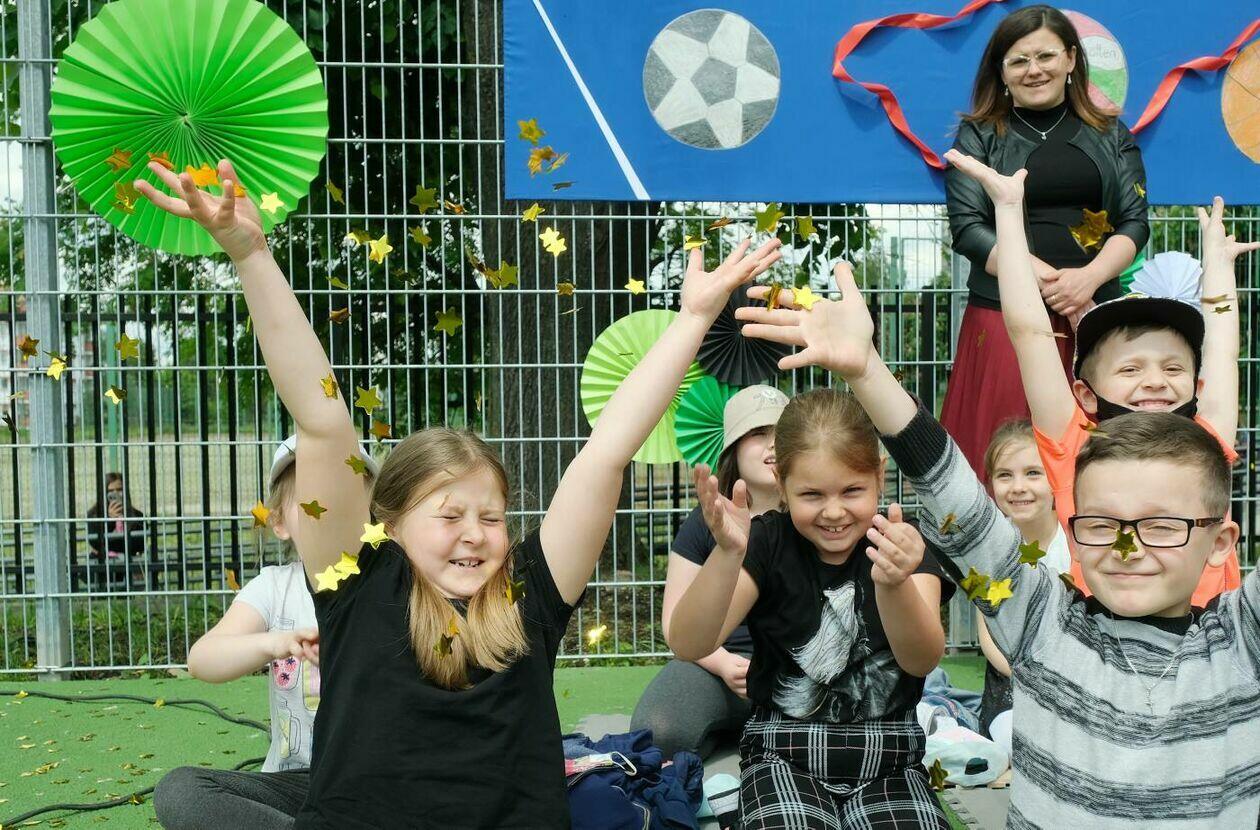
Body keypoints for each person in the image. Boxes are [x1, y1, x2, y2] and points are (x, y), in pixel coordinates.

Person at [137, 157, 783, 828]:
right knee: (187, 791)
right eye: (449, 516)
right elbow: (323, 420)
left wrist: (693, 318)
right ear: (389, 524)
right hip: (356, 804)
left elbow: (607, 451)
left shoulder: (529, 594)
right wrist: (251, 255)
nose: (475, 533)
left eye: (492, 517)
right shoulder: (356, 581)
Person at [736, 262, 1260, 828]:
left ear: (1220, 542)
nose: (1126, 549)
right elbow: (952, 491)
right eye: (1101, 525)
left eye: (1161, 525)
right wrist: (867, 371)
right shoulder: (1040, 621)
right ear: (1072, 530)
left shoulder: (1242, 641)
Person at [946, 149, 1256, 606]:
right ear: (1085, 395)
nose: (1155, 380)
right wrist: (1008, 214)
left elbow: (1223, 351)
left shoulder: (1208, 442)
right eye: (1130, 368)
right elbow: (1029, 332)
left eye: (1173, 368)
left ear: (1198, 387)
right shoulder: (1075, 448)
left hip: (1208, 642)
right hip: (1102, 642)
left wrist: (1219, 268)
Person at [668, 386, 955, 829]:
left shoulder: (902, 543)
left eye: (852, 490)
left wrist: (894, 583)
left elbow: (921, 660)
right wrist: (727, 555)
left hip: (891, 763)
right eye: (812, 495)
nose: (834, 512)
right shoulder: (766, 542)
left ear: (880, 475)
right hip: (782, 757)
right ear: (782, 482)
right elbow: (689, 643)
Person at [940, 4, 1149, 478]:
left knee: (1097, 459)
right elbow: (968, 229)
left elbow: (1135, 223)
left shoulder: (1112, 133)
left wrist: (1087, 281)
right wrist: (1050, 283)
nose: (1033, 69)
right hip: (1002, 316)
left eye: (1045, 56)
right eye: (1018, 60)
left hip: (1092, 314)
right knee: (1002, 456)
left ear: (1071, 59)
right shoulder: (979, 135)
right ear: (1001, 72)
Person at [153, 437, 378, 829]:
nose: (328, 507)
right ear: (279, 522)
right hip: (297, 782)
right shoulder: (275, 588)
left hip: (376, 783)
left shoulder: (390, 584)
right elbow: (203, 659)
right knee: (180, 789)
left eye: (344, 495)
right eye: (310, 499)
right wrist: (275, 643)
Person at [631, 384, 788, 760]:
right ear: (733, 447)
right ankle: (727, 724)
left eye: (782, 433)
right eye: (757, 433)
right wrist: (721, 662)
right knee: (656, 732)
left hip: (796, 669)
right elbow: (673, 623)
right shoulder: (704, 523)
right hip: (715, 665)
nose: (772, 444)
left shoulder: (815, 518)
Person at [974, 419, 1069, 752]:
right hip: (1011, 681)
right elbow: (988, 636)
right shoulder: (986, 549)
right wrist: (1031, 678)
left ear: (1055, 477)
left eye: (1032, 473)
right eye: (1005, 475)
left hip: (1074, 675)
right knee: (1021, 744)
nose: (1018, 487)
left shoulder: (1076, 541)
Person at [85, 472, 148, 588]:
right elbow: (95, 542)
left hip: (128, 564)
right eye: (111, 491)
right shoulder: (94, 515)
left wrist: (111, 545)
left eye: (119, 490)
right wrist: (109, 520)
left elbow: (140, 543)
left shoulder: (137, 516)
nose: (116, 494)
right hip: (103, 564)